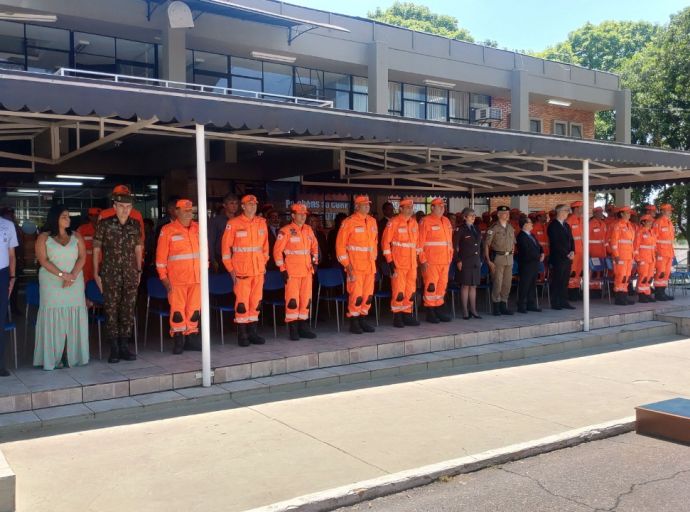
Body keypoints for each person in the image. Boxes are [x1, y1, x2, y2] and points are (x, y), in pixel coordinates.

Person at [33, 205, 89, 370]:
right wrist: (62, 275)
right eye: (64, 216)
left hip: (74, 282)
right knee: (54, 318)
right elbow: (43, 261)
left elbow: (82, 257)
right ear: (55, 218)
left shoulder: (76, 236)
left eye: (68, 216)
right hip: (52, 283)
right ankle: (53, 357)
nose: (68, 219)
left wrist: (72, 275)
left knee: (74, 315)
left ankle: (71, 356)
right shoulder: (43, 237)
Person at [93, 188, 141, 363]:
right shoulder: (104, 224)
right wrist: (95, 272)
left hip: (129, 273)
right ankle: (113, 348)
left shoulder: (135, 225)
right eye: (121, 206)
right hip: (110, 274)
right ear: (114, 206)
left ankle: (124, 346)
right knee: (111, 309)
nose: (125, 210)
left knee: (128, 310)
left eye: (128, 206)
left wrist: (139, 270)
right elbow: (96, 249)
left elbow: (138, 249)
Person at [221, 195, 269, 346]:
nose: (253, 207)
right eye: (249, 204)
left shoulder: (261, 223)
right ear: (242, 206)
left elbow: (265, 247)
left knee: (255, 303)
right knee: (242, 303)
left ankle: (252, 333)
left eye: (254, 204)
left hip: (258, 270)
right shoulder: (233, 223)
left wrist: (263, 263)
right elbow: (225, 250)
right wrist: (230, 269)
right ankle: (242, 335)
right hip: (241, 271)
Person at [156, 199, 202, 354]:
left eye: (191, 210)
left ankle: (191, 339)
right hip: (177, 280)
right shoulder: (167, 230)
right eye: (185, 210)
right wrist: (164, 278)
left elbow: (204, 253)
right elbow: (161, 258)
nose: (189, 213)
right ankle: (179, 340)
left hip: (196, 278)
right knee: (177, 312)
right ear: (177, 212)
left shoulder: (198, 229)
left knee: (194, 310)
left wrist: (205, 271)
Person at [273, 203, 319, 340]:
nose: (303, 216)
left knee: (305, 300)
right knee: (293, 301)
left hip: (306, 271)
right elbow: (277, 252)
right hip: (292, 272)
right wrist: (282, 269)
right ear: (293, 215)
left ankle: (303, 328)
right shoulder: (285, 231)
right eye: (300, 214)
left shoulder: (309, 230)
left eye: (304, 214)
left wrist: (315, 262)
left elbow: (315, 248)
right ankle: (293, 329)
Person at [336, 195, 377, 334]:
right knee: (357, 295)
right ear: (357, 206)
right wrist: (347, 264)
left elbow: (374, 244)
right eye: (364, 204)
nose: (367, 206)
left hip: (370, 266)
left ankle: (363, 319)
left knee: (367, 295)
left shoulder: (372, 221)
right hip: (355, 267)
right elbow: (340, 246)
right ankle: (354, 321)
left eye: (368, 204)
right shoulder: (349, 222)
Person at [381, 197, 420, 328]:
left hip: (412, 264)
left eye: (411, 207)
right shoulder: (393, 222)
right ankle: (397, 316)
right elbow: (385, 243)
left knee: (410, 291)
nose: (410, 210)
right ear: (401, 209)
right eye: (407, 207)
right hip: (398, 263)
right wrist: (390, 262)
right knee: (399, 291)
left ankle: (407, 314)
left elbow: (417, 244)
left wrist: (420, 259)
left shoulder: (414, 223)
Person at [418, 198, 453, 323]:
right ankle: (430, 312)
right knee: (431, 287)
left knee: (441, 287)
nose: (443, 208)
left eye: (443, 206)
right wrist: (423, 260)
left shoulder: (446, 221)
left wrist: (450, 257)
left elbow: (449, 242)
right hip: (431, 262)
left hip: (444, 261)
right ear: (432, 208)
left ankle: (438, 309)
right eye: (440, 206)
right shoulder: (425, 221)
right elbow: (419, 244)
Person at [484, 205, 516, 316]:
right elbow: (486, 245)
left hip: (509, 258)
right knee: (498, 283)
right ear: (498, 215)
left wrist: (512, 252)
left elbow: (513, 243)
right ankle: (496, 306)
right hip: (498, 258)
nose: (507, 215)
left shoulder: (510, 227)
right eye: (504, 213)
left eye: (508, 213)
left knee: (507, 283)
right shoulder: (493, 228)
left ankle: (504, 305)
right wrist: (488, 260)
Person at [454, 207, 482, 320]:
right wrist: (458, 260)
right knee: (465, 286)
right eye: (471, 215)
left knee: (473, 286)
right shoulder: (460, 230)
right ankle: (465, 311)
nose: (473, 217)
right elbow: (455, 247)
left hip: (475, 261)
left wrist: (481, 259)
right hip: (464, 261)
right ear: (465, 217)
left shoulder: (476, 229)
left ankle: (473, 310)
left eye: (474, 215)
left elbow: (480, 245)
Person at [547, 204, 575, 310]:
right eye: (566, 211)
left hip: (567, 258)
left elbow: (571, 240)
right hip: (558, 257)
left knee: (564, 281)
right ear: (559, 212)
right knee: (557, 280)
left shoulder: (566, 225)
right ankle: (555, 302)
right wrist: (566, 254)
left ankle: (564, 301)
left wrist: (572, 251)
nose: (567, 213)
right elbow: (556, 243)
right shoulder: (553, 225)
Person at [0, 211, 18, 376]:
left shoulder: (7, 225)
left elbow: (12, 255)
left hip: (2, 274)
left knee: (1, 320)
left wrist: (12, 277)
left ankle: (0, 364)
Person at [516, 216, 544, 313]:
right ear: (524, 225)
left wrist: (542, 253)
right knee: (525, 285)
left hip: (534, 264)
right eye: (530, 223)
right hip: (526, 265)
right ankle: (521, 305)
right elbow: (526, 251)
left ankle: (530, 304)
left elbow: (538, 246)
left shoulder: (531, 235)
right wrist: (538, 256)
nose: (532, 224)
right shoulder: (521, 236)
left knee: (532, 285)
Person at [609, 206, 636, 306]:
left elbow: (630, 242)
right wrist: (616, 255)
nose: (629, 215)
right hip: (620, 256)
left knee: (626, 277)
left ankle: (624, 296)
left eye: (629, 213)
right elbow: (614, 242)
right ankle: (619, 298)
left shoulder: (629, 225)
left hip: (629, 256)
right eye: (627, 213)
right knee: (620, 276)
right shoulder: (618, 225)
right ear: (622, 214)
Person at [208, 193, 239, 273]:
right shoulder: (216, 221)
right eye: (231, 203)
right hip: (221, 258)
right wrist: (212, 259)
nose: (234, 206)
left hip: (239, 258)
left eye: (236, 203)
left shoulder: (241, 220)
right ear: (224, 205)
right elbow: (211, 241)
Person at [652, 203, 675, 301]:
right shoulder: (658, 222)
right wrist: (656, 251)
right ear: (662, 211)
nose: (670, 212)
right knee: (660, 272)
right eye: (668, 210)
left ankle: (663, 292)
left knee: (666, 273)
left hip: (669, 252)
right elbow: (654, 238)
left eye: (670, 210)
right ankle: (658, 293)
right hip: (661, 252)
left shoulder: (670, 223)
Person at [634, 214, 657, 303]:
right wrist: (638, 259)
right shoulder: (640, 232)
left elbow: (654, 246)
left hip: (651, 258)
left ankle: (647, 293)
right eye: (649, 221)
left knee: (649, 277)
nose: (651, 222)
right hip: (643, 258)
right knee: (643, 276)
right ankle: (641, 294)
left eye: (651, 221)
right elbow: (636, 247)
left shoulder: (652, 232)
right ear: (643, 222)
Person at [76, 207, 101, 283]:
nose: (96, 217)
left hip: (100, 263)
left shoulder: (105, 229)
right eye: (93, 215)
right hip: (85, 263)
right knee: (84, 285)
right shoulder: (82, 229)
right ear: (89, 216)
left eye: (97, 215)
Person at [566, 201, 584, 300]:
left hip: (581, 251)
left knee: (578, 272)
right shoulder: (569, 221)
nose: (582, 209)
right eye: (581, 207)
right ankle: (570, 292)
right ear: (576, 208)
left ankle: (576, 291)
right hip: (573, 252)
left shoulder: (581, 220)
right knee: (572, 272)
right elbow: (567, 238)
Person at [589, 206, 608, 293]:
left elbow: (606, 238)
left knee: (600, 271)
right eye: (599, 212)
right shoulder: (590, 224)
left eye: (601, 212)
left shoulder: (603, 224)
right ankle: (592, 289)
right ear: (595, 213)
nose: (601, 214)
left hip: (602, 251)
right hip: (593, 251)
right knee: (593, 270)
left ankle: (598, 288)